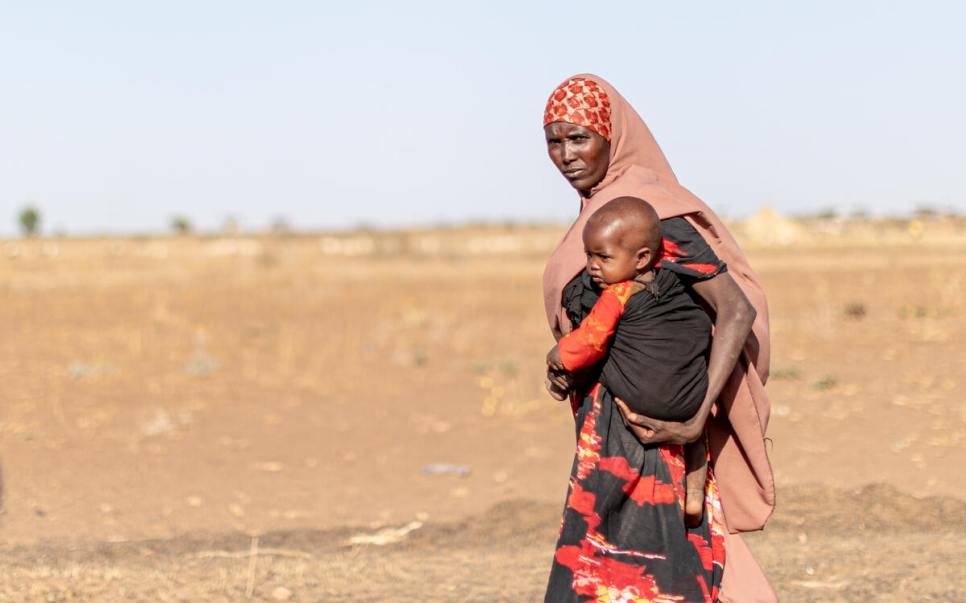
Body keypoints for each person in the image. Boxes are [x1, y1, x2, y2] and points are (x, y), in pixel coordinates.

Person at [541, 75, 776, 603]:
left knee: (653, 571)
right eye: (554, 141)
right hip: (608, 429)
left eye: (579, 138)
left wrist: (696, 416)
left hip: (655, 434)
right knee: (623, 569)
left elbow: (734, 307)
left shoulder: (649, 215)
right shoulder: (604, 217)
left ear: (612, 136)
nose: (565, 155)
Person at [544, 196, 714, 529]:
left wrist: (557, 355)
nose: (592, 266)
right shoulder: (675, 286)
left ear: (641, 258)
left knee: (605, 360)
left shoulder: (617, 294)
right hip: (694, 401)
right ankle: (694, 493)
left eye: (603, 257)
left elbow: (588, 343)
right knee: (697, 439)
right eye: (588, 255)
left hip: (646, 403)